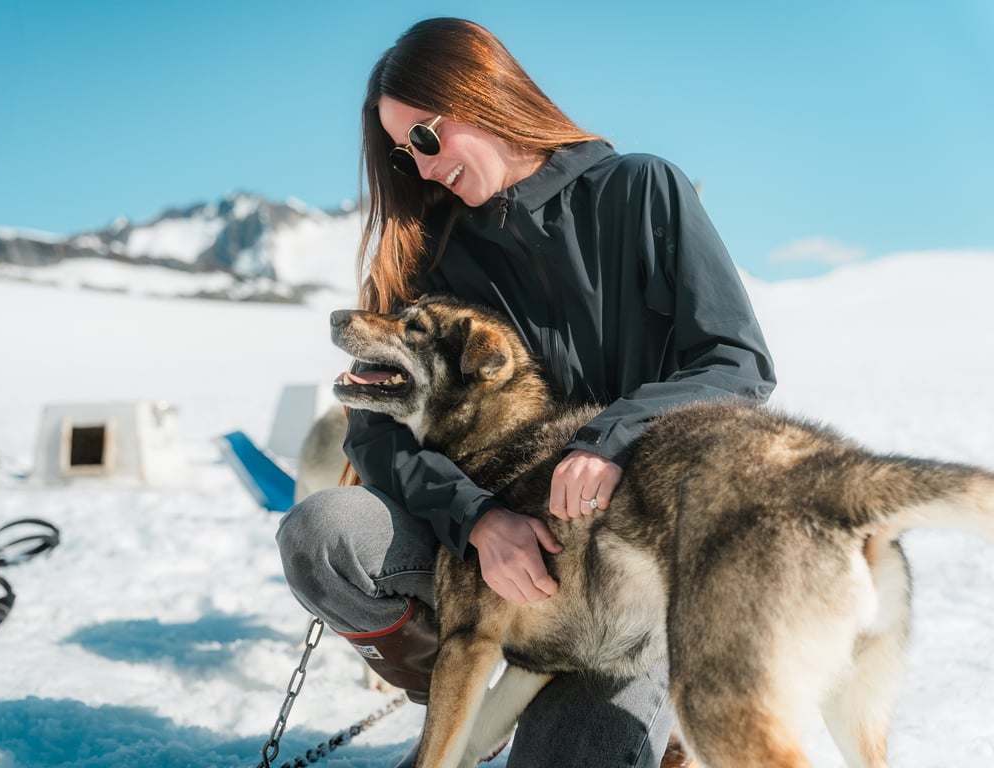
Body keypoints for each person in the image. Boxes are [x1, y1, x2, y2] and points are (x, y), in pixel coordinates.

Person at [277, 17, 775, 768]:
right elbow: (375, 433)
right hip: (477, 562)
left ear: (479, 97)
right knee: (325, 534)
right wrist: (477, 520)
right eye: (400, 152)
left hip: (623, 576)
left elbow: (734, 361)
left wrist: (611, 439)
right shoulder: (432, 253)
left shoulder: (638, 191)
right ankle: (466, 696)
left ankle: (651, 717)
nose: (417, 166)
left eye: (425, 138)